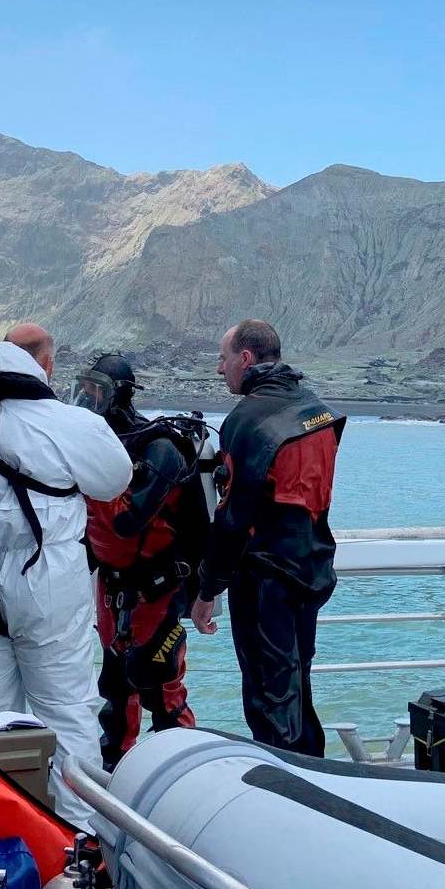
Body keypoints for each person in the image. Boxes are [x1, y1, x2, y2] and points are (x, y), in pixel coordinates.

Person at [0, 324, 132, 826]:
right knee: (67, 712)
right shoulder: (68, 423)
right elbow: (113, 481)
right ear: (46, 364)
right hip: (44, 582)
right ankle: (78, 846)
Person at [190, 320, 345, 756]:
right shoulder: (316, 409)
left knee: (269, 698)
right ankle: (316, 777)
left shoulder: (246, 420)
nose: (219, 371)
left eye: (222, 360)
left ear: (245, 358)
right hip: (312, 569)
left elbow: (233, 517)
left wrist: (206, 590)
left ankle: (290, 792)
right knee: (298, 685)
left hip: (265, 579)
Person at [72, 353, 209, 769]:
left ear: (121, 396)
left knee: (160, 684)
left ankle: (183, 775)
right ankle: (117, 775)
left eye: (96, 392)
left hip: (155, 587)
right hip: (111, 587)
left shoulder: (160, 448)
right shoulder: (95, 448)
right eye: (84, 390)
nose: (86, 400)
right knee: (115, 688)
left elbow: (128, 522)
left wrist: (83, 489)